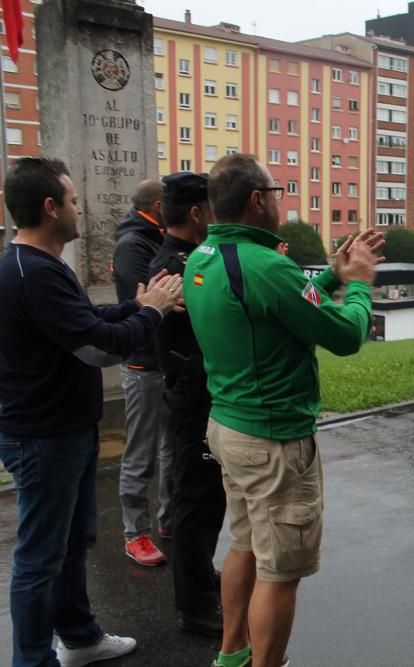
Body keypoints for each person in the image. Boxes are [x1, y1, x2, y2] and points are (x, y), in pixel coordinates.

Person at [184, 153, 383, 667]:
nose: (279, 201)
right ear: (257, 201)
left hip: (229, 427)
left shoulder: (205, 256)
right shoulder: (268, 265)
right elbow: (343, 335)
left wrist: (332, 278)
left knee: (244, 544)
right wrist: (359, 283)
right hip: (273, 441)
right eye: (275, 193)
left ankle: (231, 654)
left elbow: (274, 308)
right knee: (279, 570)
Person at [0, 157, 183, 666]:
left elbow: (85, 319)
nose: (82, 209)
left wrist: (134, 305)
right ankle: (32, 660)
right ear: (50, 207)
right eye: (75, 200)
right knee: (39, 558)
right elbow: (99, 348)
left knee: (71, 543)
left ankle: (79, 638)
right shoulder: (31, 272)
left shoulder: (41, 265)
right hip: (44, 437)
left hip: (66, 430)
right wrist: (152, 312)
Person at [149, 172, 226, 637]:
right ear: (197, 213)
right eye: (211, 208)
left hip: (193, 395)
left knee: (202, 498)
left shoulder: (181, 261)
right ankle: (195, 607)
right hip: (193, 398)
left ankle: (200, 577)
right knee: (194, 502)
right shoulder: (177, 269)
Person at [112, 178, 173, 567]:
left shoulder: (155, 237)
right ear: (157, 205)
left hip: (164, 360)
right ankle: (135, 534)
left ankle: (168, 521)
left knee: (171, 449)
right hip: (143, 363)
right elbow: (149, 296)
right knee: (140, 453)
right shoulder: (132, 245)